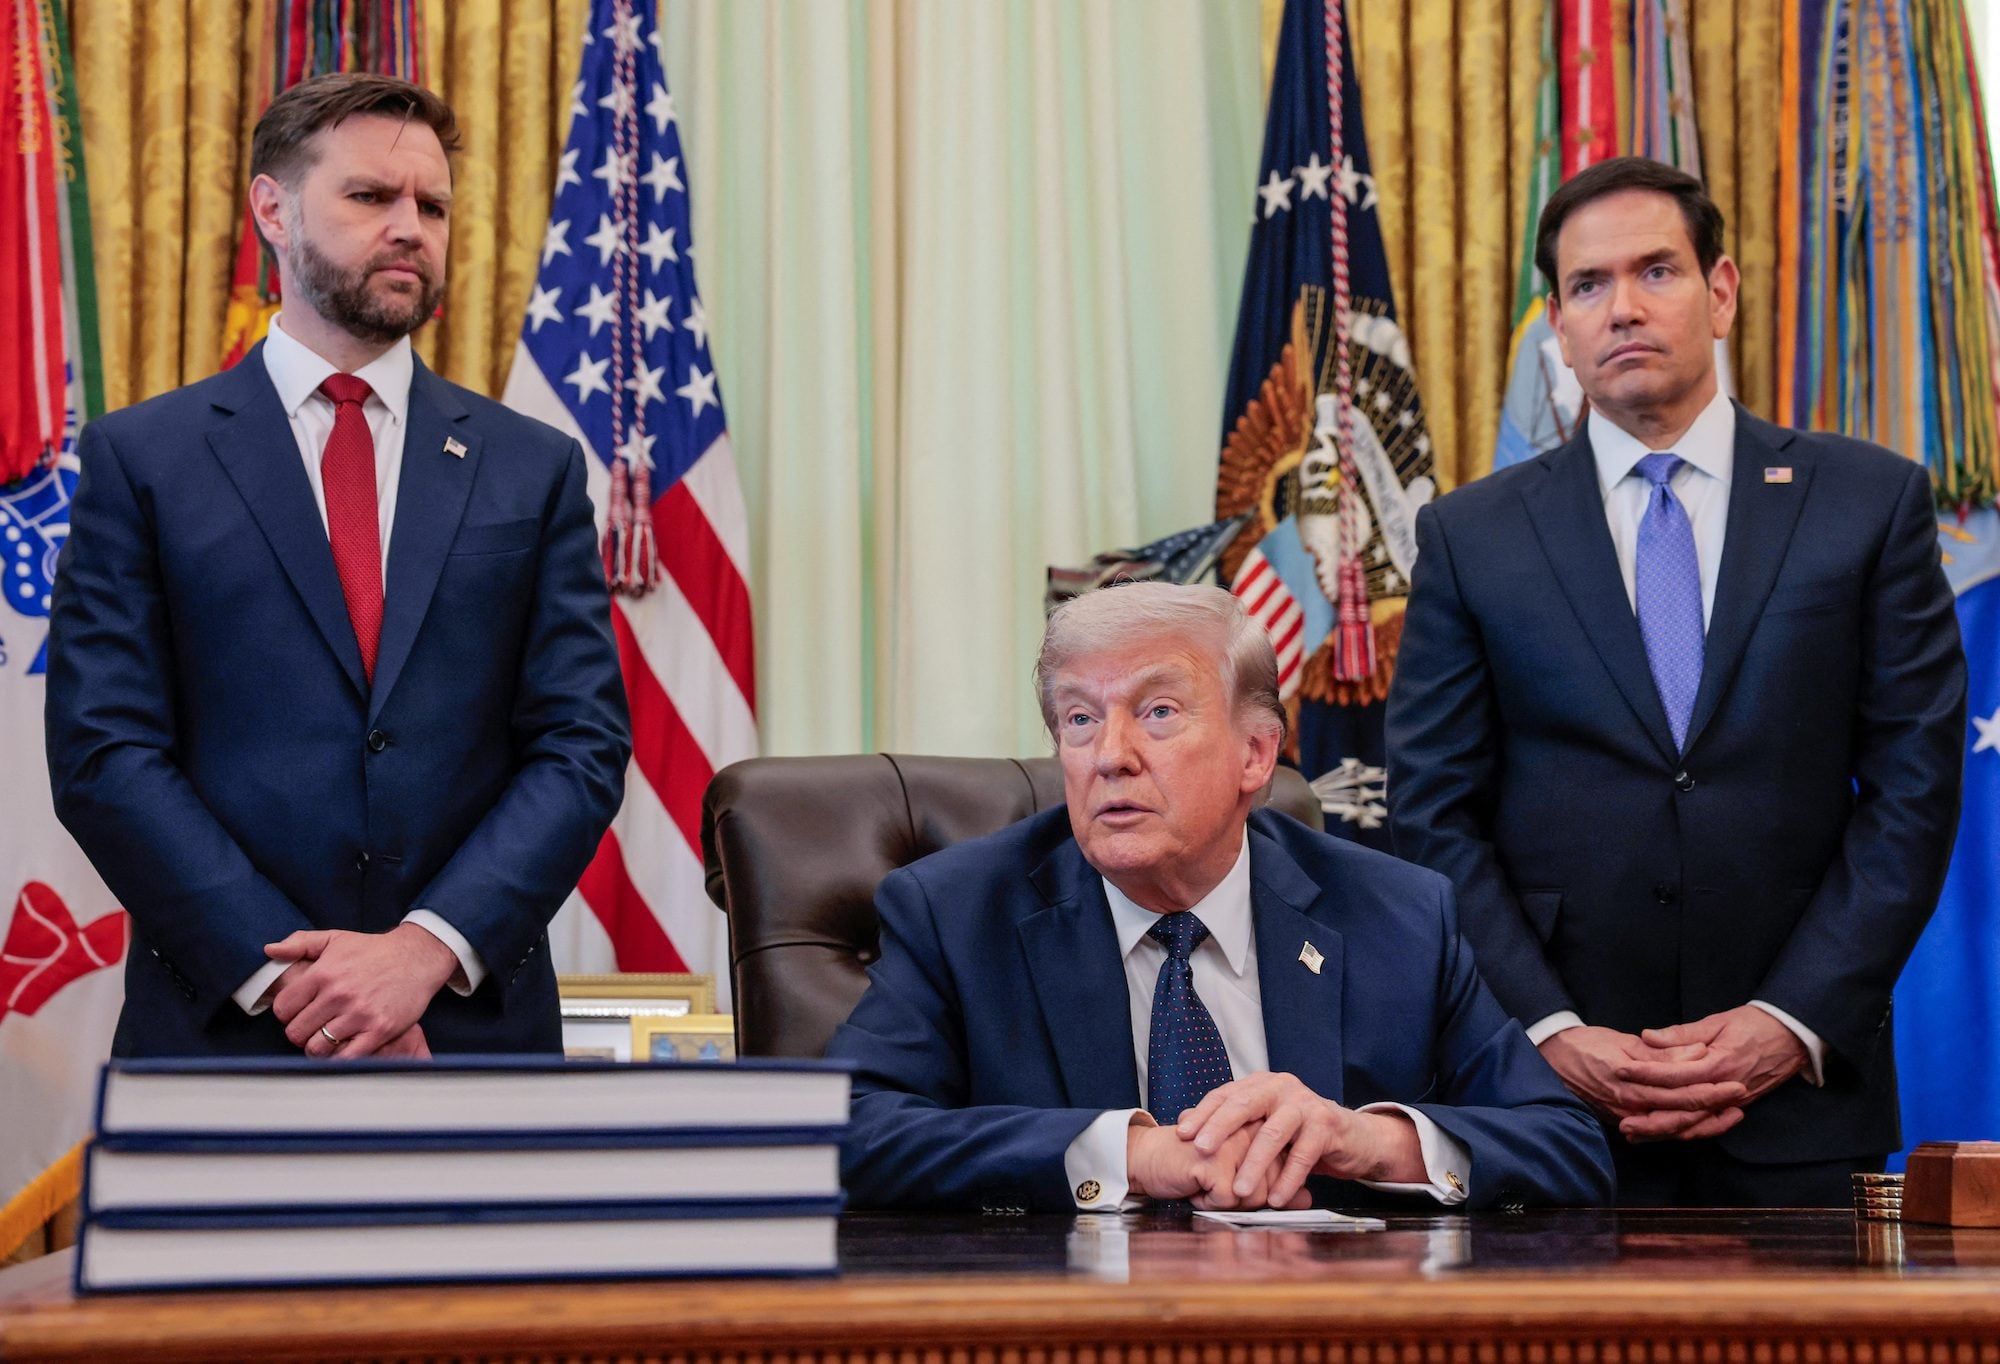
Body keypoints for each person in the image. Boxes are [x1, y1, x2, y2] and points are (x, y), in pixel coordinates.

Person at [1386, 156, 1966, 1206]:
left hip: (1795, 1105)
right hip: (1547, 1111)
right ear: (1558, 326)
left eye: (1655, 270)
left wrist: (1787, 1021)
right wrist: (1548, 1031)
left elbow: (1913, 790)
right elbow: (1432, 813)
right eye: (1587, 285)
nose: (1622, 307)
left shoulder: (1866, 502)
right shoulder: (1470, 537)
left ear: (1721, 291)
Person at [45, 73, 630, 1060]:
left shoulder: (532, 467)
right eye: (370, 195)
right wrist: (301, 986)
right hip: (224, 1036)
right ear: (272, 210)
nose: (410, 227)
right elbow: (105, 753)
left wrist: (421, 952)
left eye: (432, 205)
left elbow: (579, 744)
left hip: (464, 1035)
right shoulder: (141, 459)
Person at [828, 582, 1612, 1213]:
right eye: (1080, 718)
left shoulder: (1397, 913)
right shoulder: (957, 913)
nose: (1110, 755)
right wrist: (1131, 1154)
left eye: (1159, 712)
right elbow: (843, 1131)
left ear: (1256, 754)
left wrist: (1366, 1142)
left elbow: (1565, 1144)